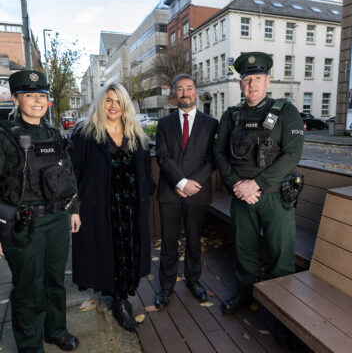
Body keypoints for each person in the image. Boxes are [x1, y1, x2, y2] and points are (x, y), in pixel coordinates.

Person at [214, 52, 304, 314]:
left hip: (276, 199)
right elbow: (219, 153)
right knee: (245, 253)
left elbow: (292, 154)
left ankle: (282, 313)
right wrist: (237, 185)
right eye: (247, 79)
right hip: (242, 197)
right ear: (241, 83)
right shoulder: (231, 116)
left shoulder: (286, 112)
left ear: (268, 81)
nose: (251, 85)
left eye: (257, 78)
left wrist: (257, 184)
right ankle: (244, 295)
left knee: (281, 258)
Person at [0, 70, 81, 352]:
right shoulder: (4, 136)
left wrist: (74, 209)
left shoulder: (53, 134)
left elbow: (68, 174)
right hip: (23, 226)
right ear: (15, 99)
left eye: (41, 96)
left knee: (55, 282)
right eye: (29, 95)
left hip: (58, 218)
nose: (37, 101)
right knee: (27, 289)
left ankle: (55, 330)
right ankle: (31, 347)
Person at [70, 83, 155, 332]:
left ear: (125, 105)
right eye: (108, 100)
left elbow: (147, 165)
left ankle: (121, 296)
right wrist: (74, 208)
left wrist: (147, 188)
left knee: (130, 252)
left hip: (130, 207)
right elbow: (73, 173)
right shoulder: (85, 134)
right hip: (101, 208)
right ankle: (118, 301)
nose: (113, 106)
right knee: (109, 253)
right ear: (100, 103)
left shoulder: (135, 132)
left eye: (118, 101)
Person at [155, 74, 218, 309]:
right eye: (179, 89)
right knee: (169, 243)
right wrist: (181, 182)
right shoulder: (164, 123)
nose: (184, 93)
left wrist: (192, 184)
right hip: (170, 193)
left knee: (194, 241)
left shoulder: (211, 124)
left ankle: (193, 281)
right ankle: (166, 287)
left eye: (189, 88)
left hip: (198, 192)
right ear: (174, 94)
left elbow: (212, 159)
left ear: (196, 92)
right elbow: (162, 156)